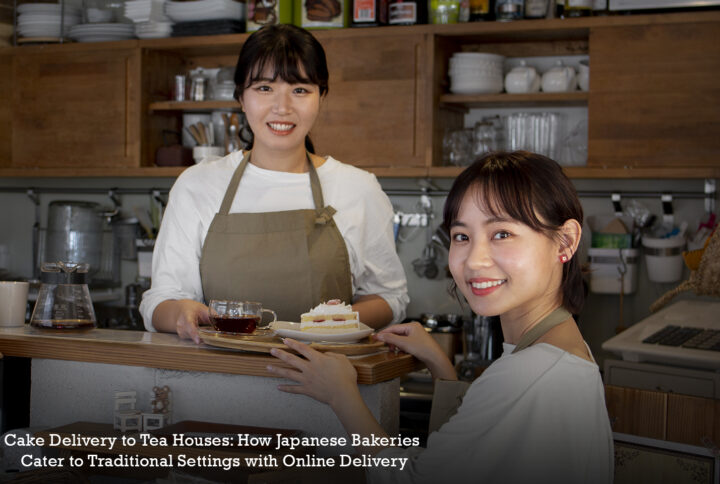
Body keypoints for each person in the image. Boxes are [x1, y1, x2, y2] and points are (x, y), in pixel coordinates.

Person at [267, 151, 614, 484]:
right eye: (462, 236)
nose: (474, 260)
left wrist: (340, 395)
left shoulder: (528, 375)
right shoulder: (560, 351)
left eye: (502, 234)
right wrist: (438, 362)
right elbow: (471, 452)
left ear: (565, 242)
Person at [139, 24, 408, 343]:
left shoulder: (358, 188)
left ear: (321, 97)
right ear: (240, 96)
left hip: (328, 383)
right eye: (264, 88)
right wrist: (179, 312)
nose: (282, 107)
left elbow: (392, 298)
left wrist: (332, 323)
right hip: (217, 380)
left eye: (300, 90)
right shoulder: (197, 184)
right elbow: (159, 300)